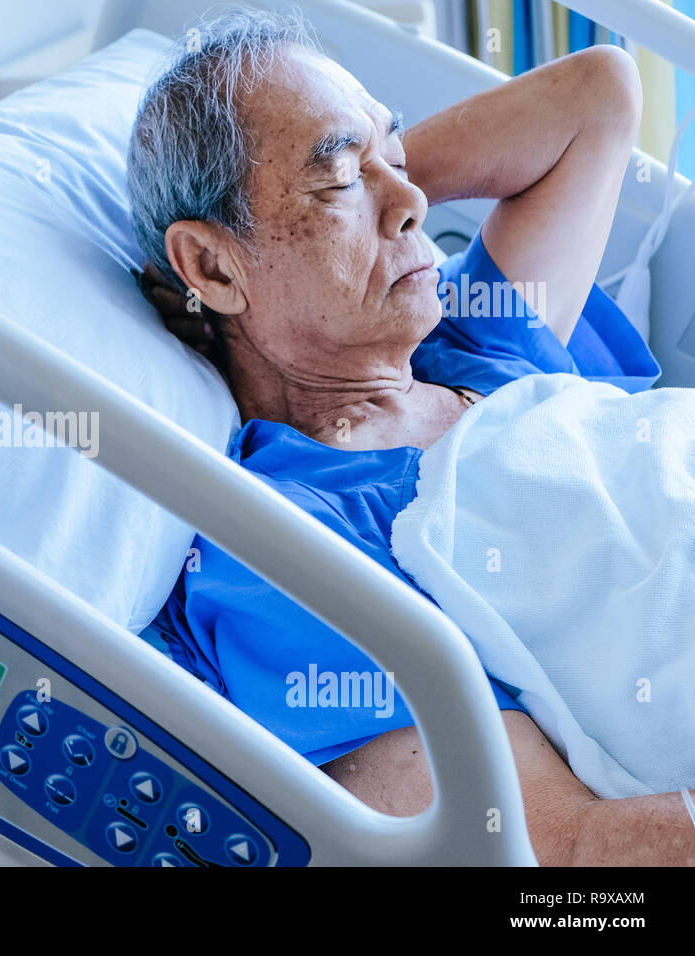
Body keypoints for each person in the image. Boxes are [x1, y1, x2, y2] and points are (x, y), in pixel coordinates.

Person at [128, 9, 695, 864]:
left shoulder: (482, 342)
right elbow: (559, 855)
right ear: (212, 265)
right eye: (336, 180)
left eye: (395, 159)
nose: (415, 204)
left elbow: (599, 94)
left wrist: (365, 181)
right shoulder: (290, 551)